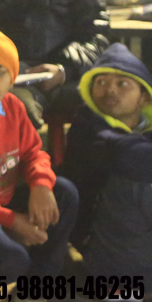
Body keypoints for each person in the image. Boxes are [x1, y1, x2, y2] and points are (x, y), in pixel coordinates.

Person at [0, 29, 78, 280]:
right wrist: (10, 221)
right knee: (11, 258)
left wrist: (40, 185)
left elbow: (33, 153)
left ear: (12, 78)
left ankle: (39, 284)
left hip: (6, 200)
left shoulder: (13, 106)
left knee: (64, 193)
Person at [61, 43, 152, 282]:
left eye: (122, 84)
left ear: (143, 97)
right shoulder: (88, 127)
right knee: (136, 180)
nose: (110, 90)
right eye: (100, 82)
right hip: (101, 241)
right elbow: (130, 155)